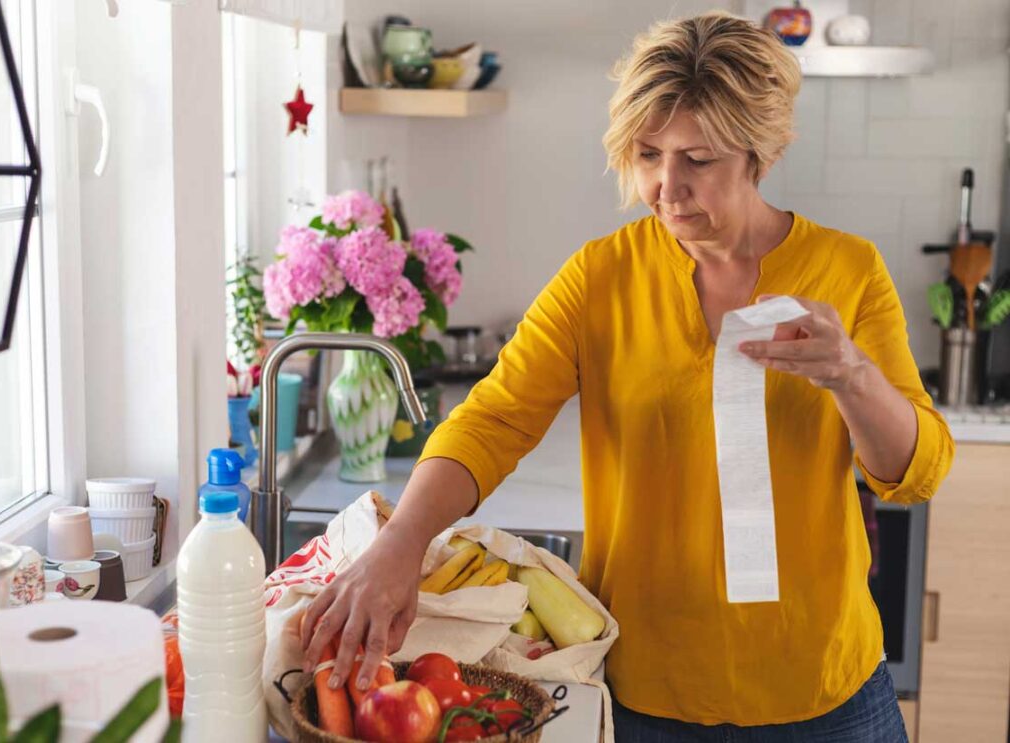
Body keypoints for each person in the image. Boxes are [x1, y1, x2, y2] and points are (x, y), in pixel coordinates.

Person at [301, 11, 953, 740]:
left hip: (826, 690)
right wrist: (402, 541)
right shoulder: (601, 277)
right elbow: (495, 417)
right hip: (649, 695)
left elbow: (917, 471)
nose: (666, 187)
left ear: (758, 152)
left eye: (697, 159)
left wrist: (852, 376)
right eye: (647, 154)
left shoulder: (848, 270)